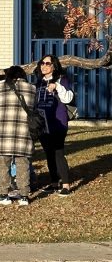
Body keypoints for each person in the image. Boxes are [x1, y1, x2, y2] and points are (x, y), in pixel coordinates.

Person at [0, 66, 37, 206]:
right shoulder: (32, 89)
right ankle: (24, 196)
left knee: (3, 164)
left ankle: (3, 194)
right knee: (23, 164)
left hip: (3, 135)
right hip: (23, 134)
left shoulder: (1, 87)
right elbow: (35, 106)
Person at [34, 54, 74, 196]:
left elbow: (68, 98)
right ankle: (54, 182)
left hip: (58, 122)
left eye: (47, 63)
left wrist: (57, 86)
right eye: (42, 63)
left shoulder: (62, 79)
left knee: (58, 152)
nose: (44, 66)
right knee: (48, 153)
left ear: (54, 66)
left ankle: (66, 185)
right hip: (42, 123)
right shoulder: (39, 82)